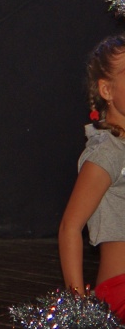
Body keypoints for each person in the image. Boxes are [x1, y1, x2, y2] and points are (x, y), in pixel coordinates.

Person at [59, 34, 125, 317]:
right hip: (119, 291)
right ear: (106, 90)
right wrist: (80, 310)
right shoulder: (107, 152)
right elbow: (70, 228)